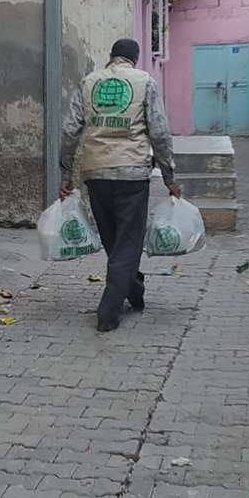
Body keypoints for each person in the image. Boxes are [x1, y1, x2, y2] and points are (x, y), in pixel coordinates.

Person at [59, 38, 180, 332]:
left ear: (111, 56)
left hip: (95, 172)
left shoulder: (88, 82)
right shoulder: (145, 82)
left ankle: (134, 290)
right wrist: (169, 176)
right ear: (134, 59)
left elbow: (70, 130)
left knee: (114, 240)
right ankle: (109, 310)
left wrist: (66, 175)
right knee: (127, 242)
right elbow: (160, 132)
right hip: (132, 173)